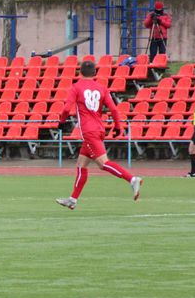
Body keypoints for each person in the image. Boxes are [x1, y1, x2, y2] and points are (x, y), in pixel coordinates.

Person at [55, 60, 143, 210]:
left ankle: (132, 179)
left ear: (80, 72)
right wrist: (117, 127)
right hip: (99, 129)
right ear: (95, 73)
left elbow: (66, 109)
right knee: (81, 164)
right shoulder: (102, 88)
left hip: (88, 132)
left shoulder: (76, 87)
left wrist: (62, 122)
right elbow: (114, 110)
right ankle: (72, 199)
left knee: (103, 164)